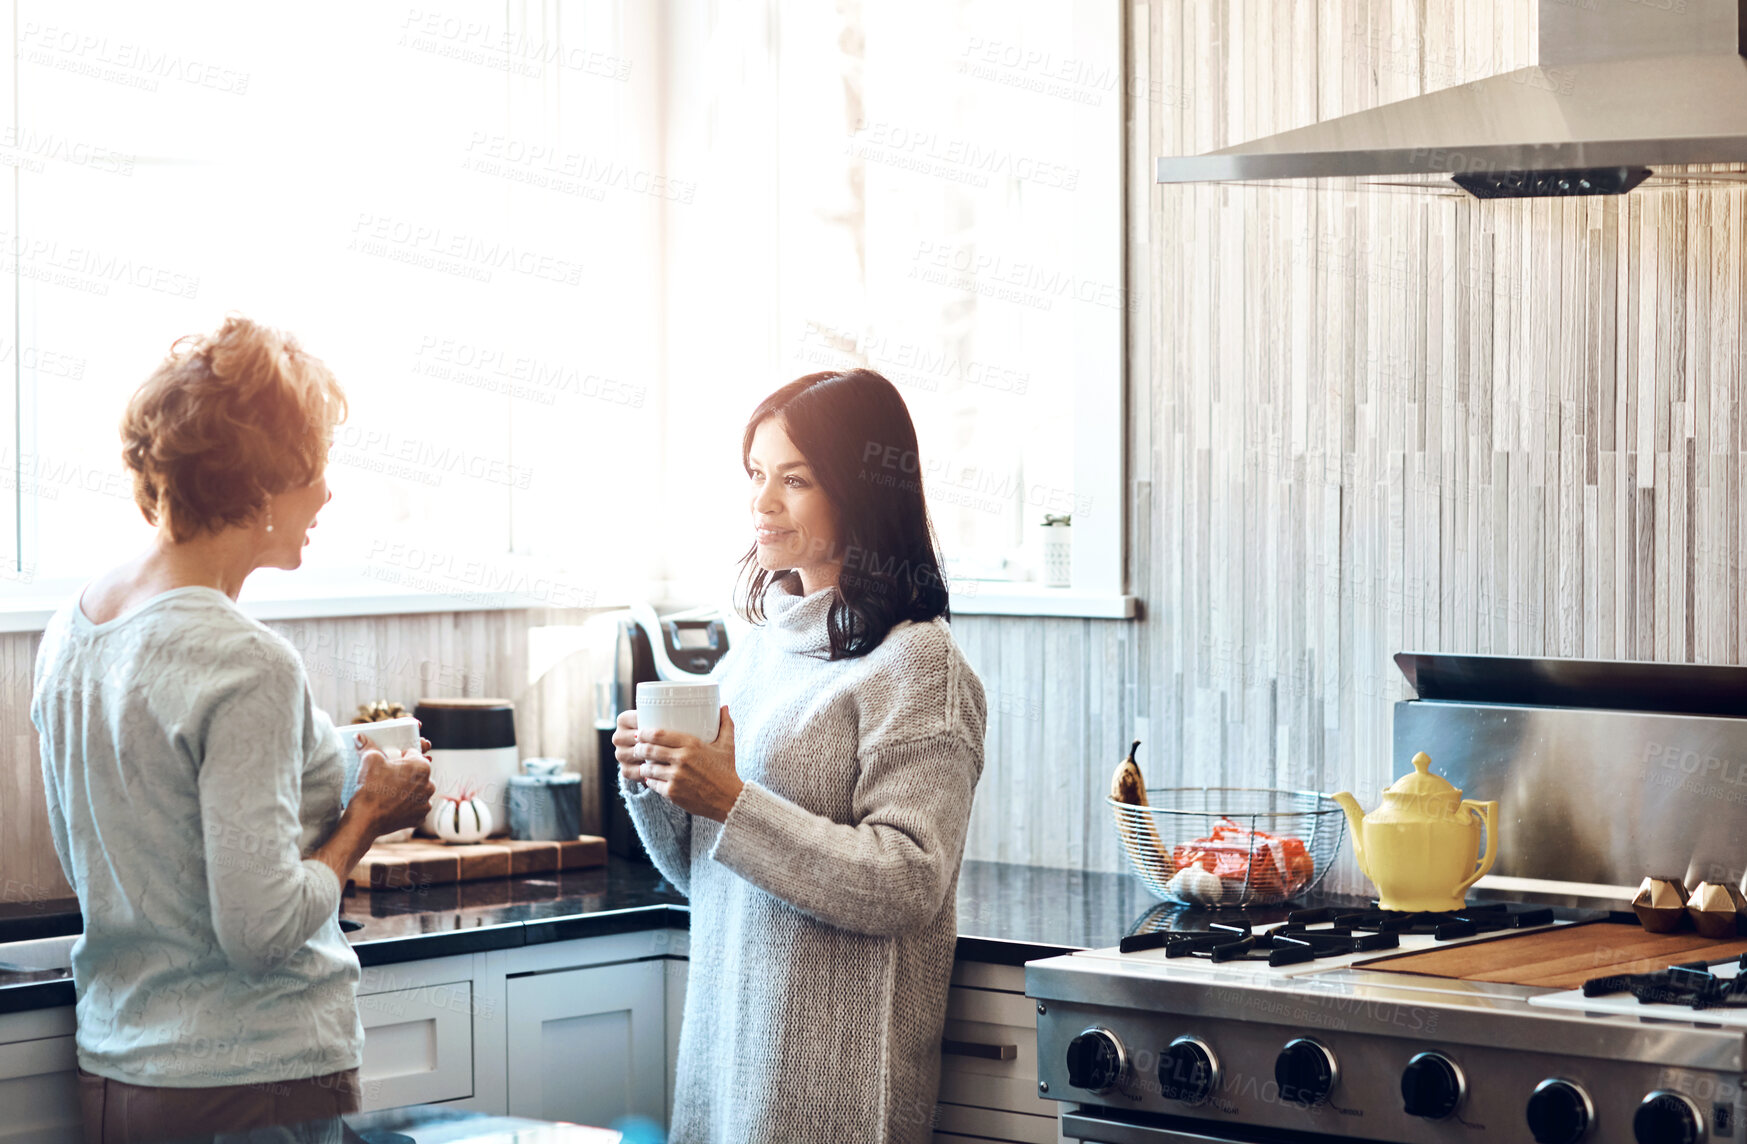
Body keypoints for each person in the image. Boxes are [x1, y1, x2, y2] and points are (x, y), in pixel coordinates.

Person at [31, 316, 435, 1143]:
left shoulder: (72, 626)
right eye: (316, 468)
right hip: (253, 1081)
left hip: (117, 1069)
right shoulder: (246, 663)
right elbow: (258, 933)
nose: (327, 491)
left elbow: (113, 858)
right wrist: (366, 818)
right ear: (258, 488)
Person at [614, 368, 988, 1143]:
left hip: (834, 1091)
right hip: (726, 1067)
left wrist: (729, 799)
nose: (761, 503)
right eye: (756, 475)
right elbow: (710, 874)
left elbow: (906, 882)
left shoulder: (917, 666)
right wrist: (656, 782)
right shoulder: (756, 653)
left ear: (860, 491)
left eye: (794, 479)